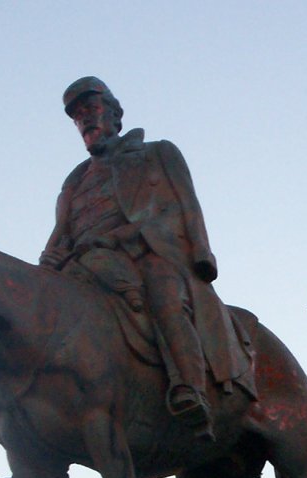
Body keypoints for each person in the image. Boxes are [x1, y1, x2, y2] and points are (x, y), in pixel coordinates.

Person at [41, 77, 249, 437]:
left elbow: (181, 205)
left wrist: (199, 251)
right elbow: (62, 232)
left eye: (91, 110)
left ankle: (190, 388)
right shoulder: (73, 182)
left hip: (145, 252)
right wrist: (47, 260)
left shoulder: (156, 153)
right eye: (77, 117)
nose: (85, 120)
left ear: (114, 114)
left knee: (163, 291)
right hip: (83, 264)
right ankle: (39, 432)